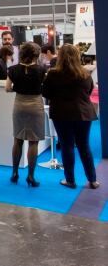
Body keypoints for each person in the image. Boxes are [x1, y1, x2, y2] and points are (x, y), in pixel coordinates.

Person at [42, 44, 100, 190]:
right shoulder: (85, 73)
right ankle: (93, 180)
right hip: (83, 113)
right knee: (84, 146)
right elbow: (89, 91)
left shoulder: (53, 74)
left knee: (66, 146)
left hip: (61, 114)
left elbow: (46, 93)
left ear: (60, 56)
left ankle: (70, 180)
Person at [6, 42, 46, 187]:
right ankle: (30, 176)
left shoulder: (13, 69)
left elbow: (7, 88)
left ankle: (14, 173)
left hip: (19, 104)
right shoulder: (42, 70)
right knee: (33, 141)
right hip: (35, 105)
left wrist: (18, 89)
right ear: (36, 54)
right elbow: (45, 88)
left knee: (18, 139)